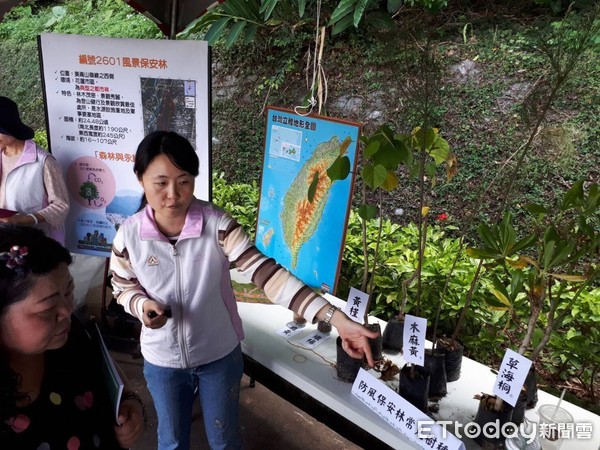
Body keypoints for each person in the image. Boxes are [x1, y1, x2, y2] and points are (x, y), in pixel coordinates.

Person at [110, 130, 379, 450]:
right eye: (161, 182)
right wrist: (142, 306)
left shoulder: (218, 226)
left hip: (218, 355)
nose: (173, 194)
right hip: (162, 359)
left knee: (225, 441)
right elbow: (122, 286)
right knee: (171, 442)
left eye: (184, 181)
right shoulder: (128, 237)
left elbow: (268, 275)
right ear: (141, 179)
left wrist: (338, 319)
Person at [0, 225, 144, 449]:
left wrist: (129, 404)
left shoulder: (73, 332)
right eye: (47, 309)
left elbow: (110, 377)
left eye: (69, 291)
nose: (67, 311)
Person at [0, 96, 69, 245]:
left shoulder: (43, 161)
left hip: (37, 244)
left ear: (9, 128)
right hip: (4, 242)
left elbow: (61, 206)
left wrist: (26, 219)